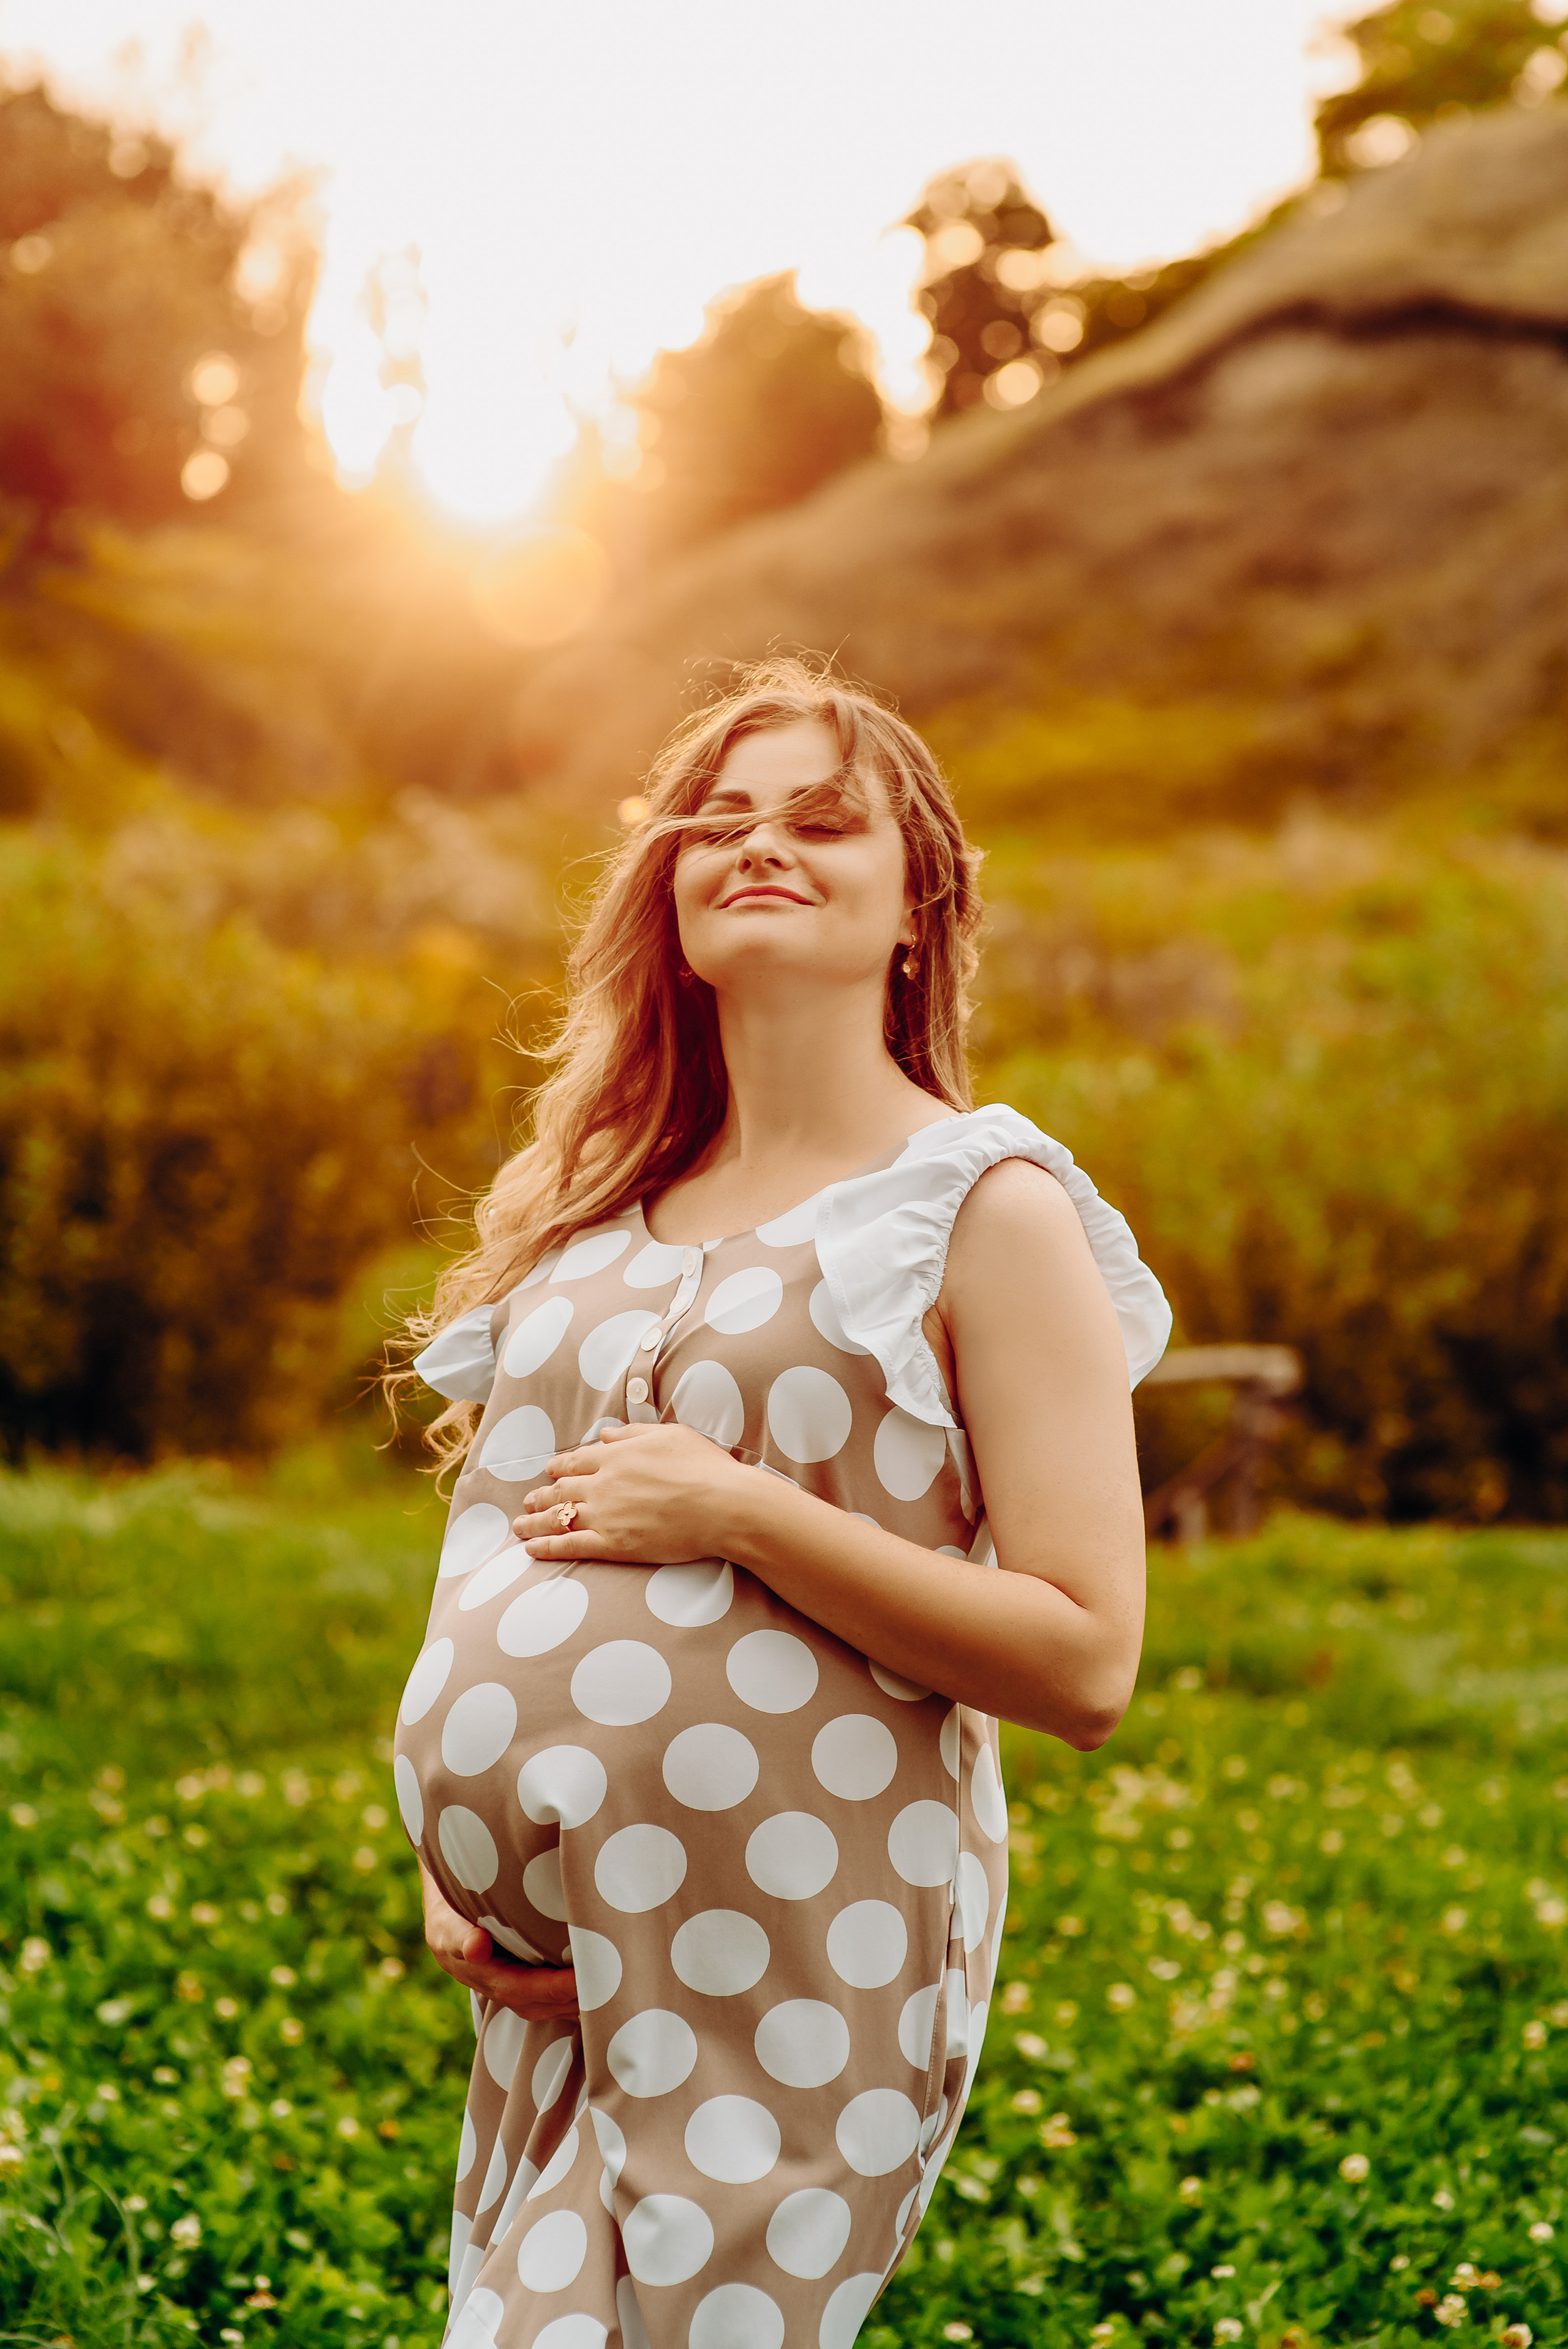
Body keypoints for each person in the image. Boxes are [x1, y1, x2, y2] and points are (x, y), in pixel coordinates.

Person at [392, 661, 1169, 2349]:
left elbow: (1088, 1659)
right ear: (669, 905)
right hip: (564, 1973)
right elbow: (493, 1560)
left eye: (823, 820)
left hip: (798, 1955)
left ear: (920, 909)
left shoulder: (984, 1208)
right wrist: (459, 1866)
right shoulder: (592, 1216)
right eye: (720, 820)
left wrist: (742, 1511)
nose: (761, 845)